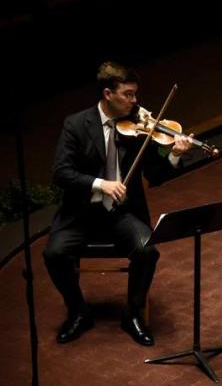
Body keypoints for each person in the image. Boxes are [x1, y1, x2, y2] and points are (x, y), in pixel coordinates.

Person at [44, 62, 195, 346]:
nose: (135, 101)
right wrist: (101, 184)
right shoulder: (76, 125)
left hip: (121, 214)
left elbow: (156, 174)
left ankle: (133, 314)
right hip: (81, 214)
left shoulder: (139, 127)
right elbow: (60, 173)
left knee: (147, 251)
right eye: (128, 94)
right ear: (107, 94)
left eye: (135, 94)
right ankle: (78, 311)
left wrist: (174, 155)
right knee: (54, 254)